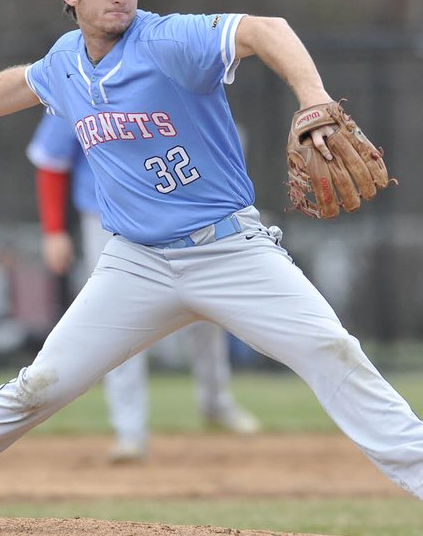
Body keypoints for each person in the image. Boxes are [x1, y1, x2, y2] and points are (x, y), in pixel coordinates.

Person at [0, 0, 423, 529]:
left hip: (228, 249)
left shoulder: (168, 40)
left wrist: (312, 97)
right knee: (38, 385)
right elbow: (22, 83)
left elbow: (267, 28)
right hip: (135, 265)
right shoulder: (66, 63)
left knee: (334, 353)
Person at [27, 112, 260, 464]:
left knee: (208, 310)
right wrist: (54, 230)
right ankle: (129, 431)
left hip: (178, 208)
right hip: (106, 216)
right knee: (116, 320)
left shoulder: (163, 68)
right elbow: (51, 158)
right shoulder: (76, 73)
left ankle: (215, 402)